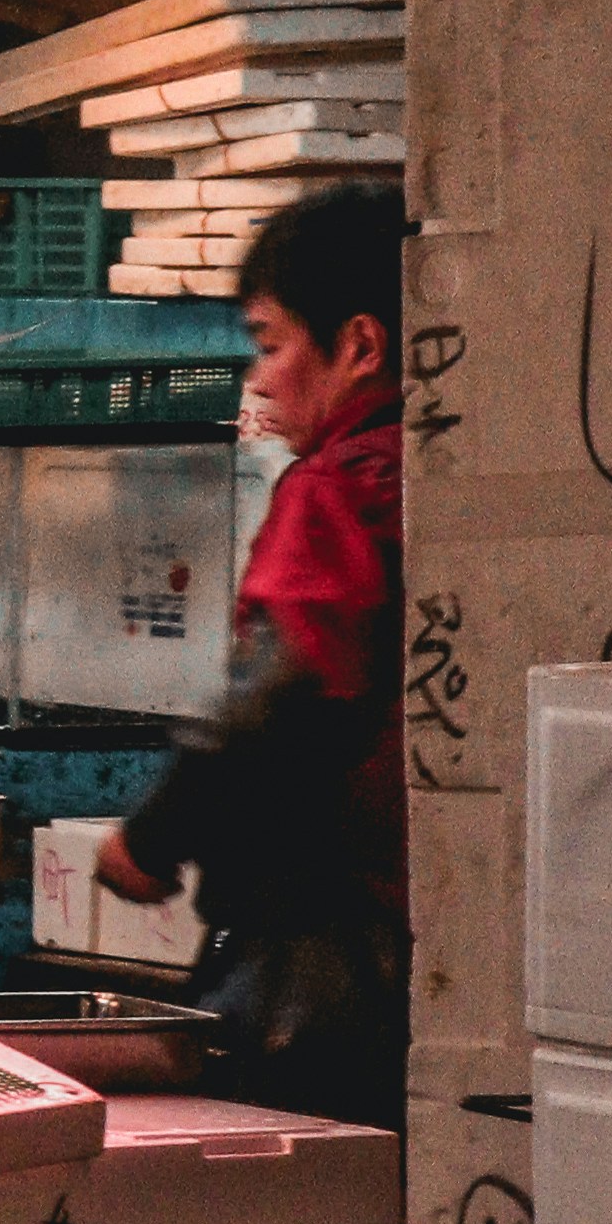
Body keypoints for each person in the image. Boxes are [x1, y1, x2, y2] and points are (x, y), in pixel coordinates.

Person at [101, 181, 407, 1125]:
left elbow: (290, 684)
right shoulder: (451, 475)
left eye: (270, 343)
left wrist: (146, 839)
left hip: (328, 958)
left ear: (359, 344)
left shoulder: (336, 489)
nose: (261, 379)